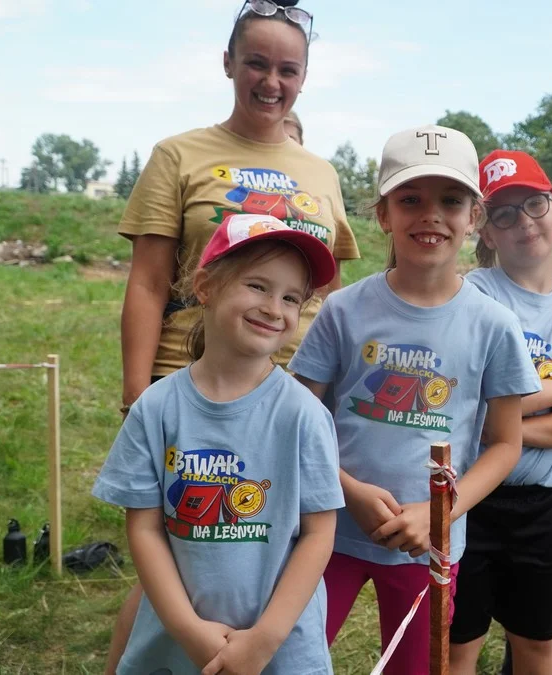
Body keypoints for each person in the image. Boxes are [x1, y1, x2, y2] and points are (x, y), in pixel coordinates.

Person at [106, 3, 360, 669]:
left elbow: (322, 295)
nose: (271, 81)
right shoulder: (179, 154)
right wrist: (139, 389)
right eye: (256, 62)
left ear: (304, 78)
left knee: (266, 539)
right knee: (183, 547)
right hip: (185, 379)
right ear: (228, 64)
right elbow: (149, 281)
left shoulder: (320, 173)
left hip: (284, 389)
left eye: (288, 69)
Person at [288, 126, 541, 675]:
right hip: (328, 529)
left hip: (429, 545)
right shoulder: (343, 311)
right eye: (410, 199)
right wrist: (344, 489)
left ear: (474, 217)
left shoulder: (495, 326)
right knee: (294, 655)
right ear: (382, 214)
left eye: (450, 201)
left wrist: (439, 515)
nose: (431, 215)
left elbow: (504, 445)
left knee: (415, 667)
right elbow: (299, 421)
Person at [92, 216, 344, 673]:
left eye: (291, 297)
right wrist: (188, 630)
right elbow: (145, 529)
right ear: (205, 286)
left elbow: (318, 533)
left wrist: (263, 642)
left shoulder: (304, 415)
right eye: (258, 286)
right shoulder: (157, 407)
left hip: (281, 648)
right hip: (175, 640)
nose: (274, 308)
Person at [448, 150, 552, 675]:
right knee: (457, 646)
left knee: (540, 643)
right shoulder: (469, 294)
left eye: (535, 205)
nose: (524, 222)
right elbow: (462, 403)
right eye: (504, 213)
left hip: (542, 507)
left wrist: (508, 427)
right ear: (486, 230)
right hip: (468, 498)